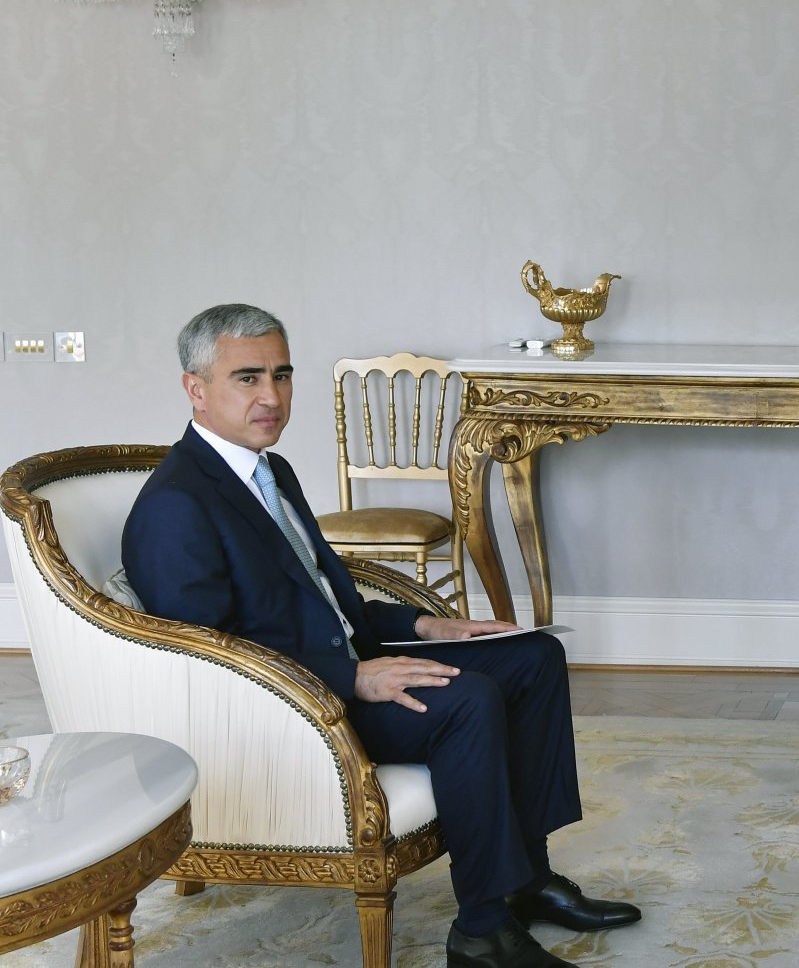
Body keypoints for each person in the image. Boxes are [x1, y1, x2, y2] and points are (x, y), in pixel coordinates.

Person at [122, 304, 641, 968]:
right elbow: (209, 655)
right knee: (470, 703)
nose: (272, 396)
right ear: (196, 387)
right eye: (247, 378)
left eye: (281, 375)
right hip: (296, 707)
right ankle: (481, 932)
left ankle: (526, 880)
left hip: (341, 665)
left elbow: (327, 603)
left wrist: (429, 624)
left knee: (535, 655)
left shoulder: (269, 473)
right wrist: (352, 677)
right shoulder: (178, 503)